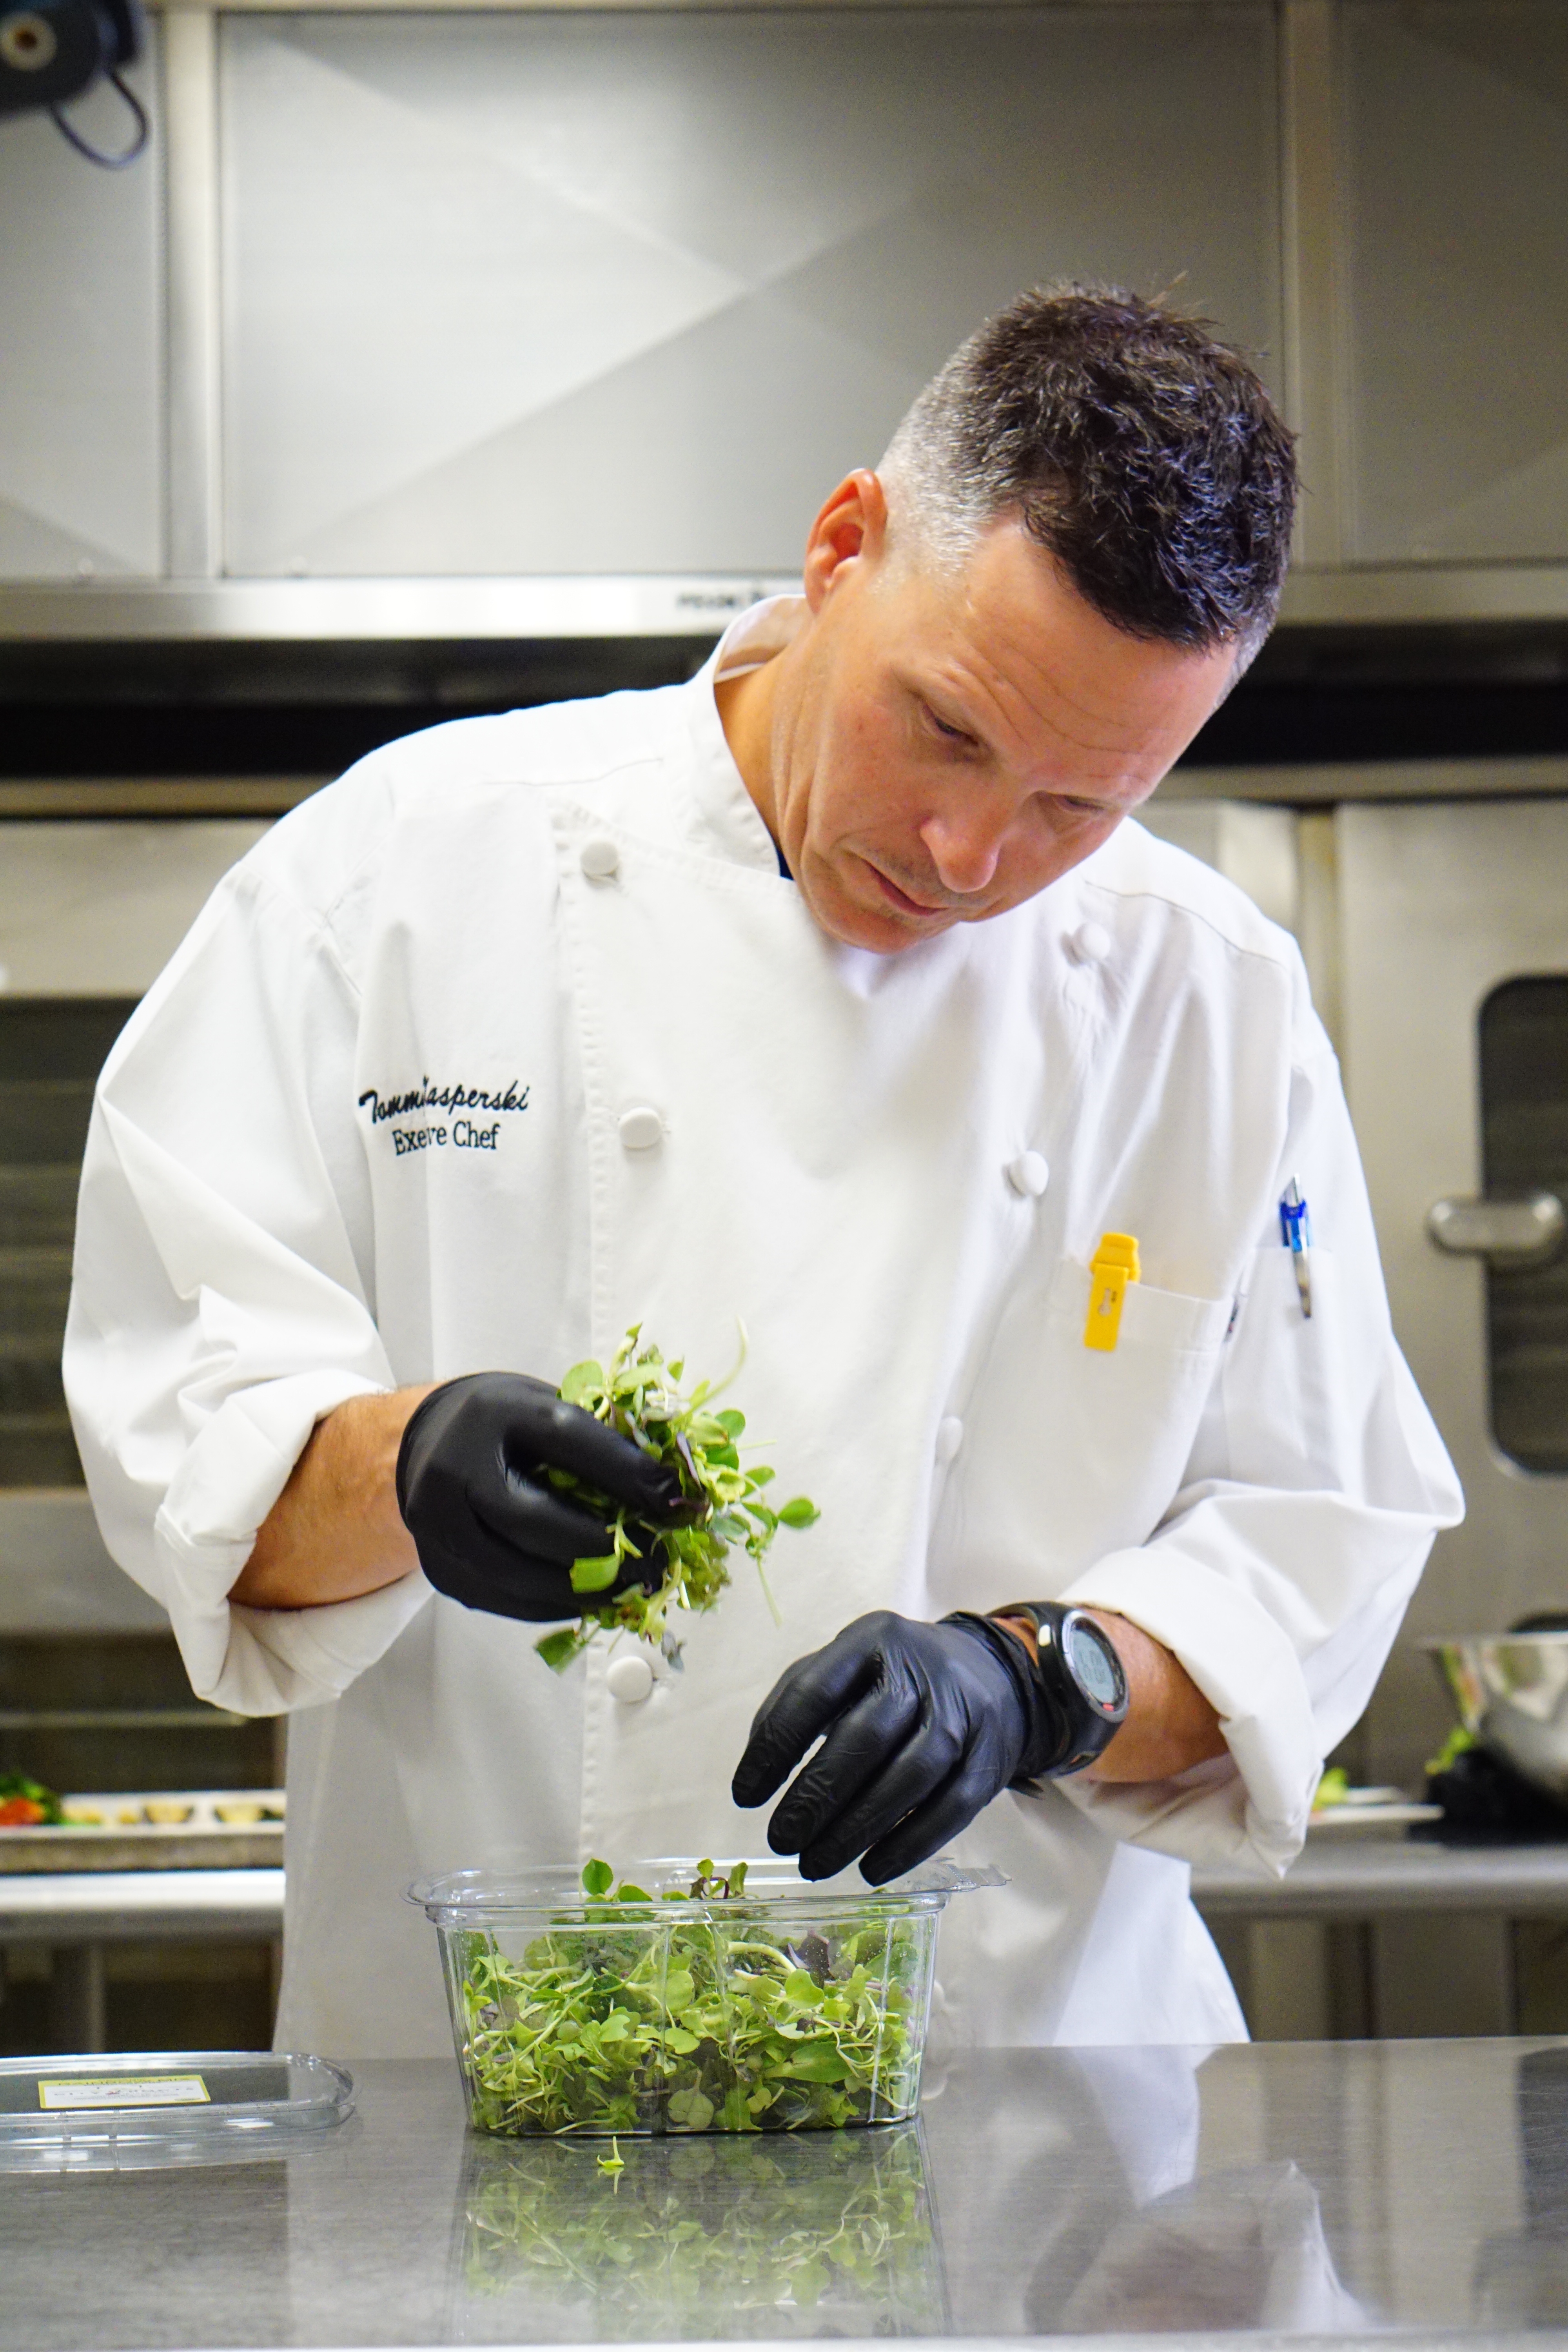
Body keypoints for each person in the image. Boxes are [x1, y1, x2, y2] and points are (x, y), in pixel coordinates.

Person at [64, 286, 1461, 2057]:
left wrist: (1040, 1683)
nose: (969, 857)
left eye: (1078, 806)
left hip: (1032, 2136)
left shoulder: (1210, 996)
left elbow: (1319, 1544)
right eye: (946, 729)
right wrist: (396, 1467)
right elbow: (178, 1420)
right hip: (480, 2105)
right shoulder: (400, 874)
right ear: (841, 547)